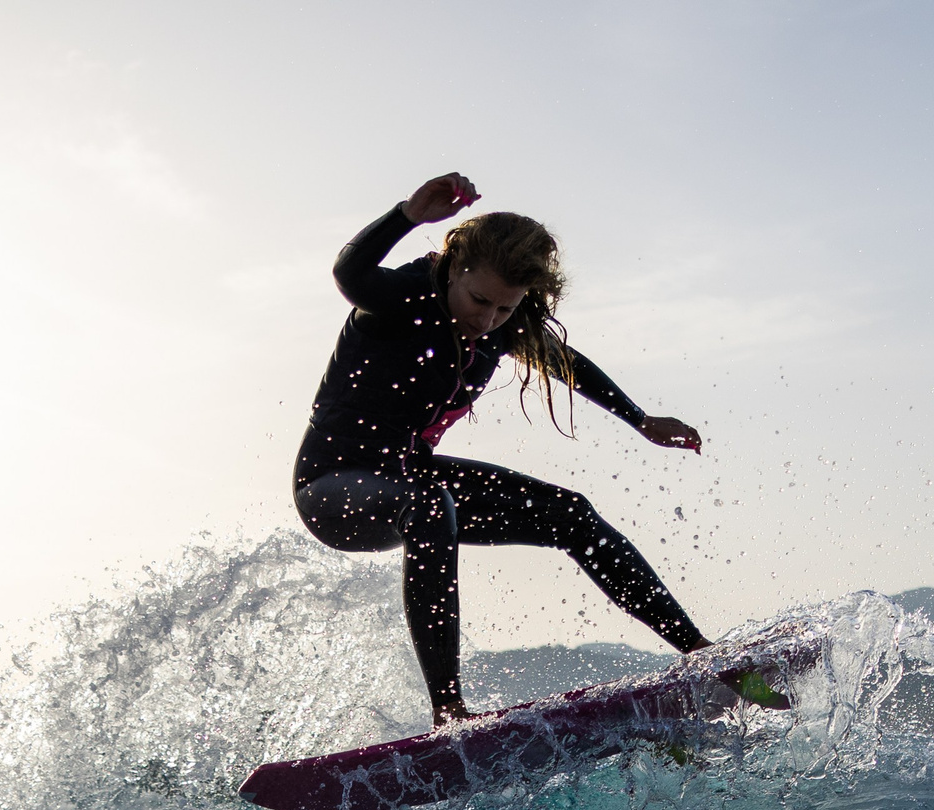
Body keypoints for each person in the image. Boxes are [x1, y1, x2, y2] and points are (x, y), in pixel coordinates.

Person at [296, 171, 714, 725]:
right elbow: (349, 274)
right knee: (428, 504)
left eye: (504, 309)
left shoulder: (501, 326)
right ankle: (450, 712)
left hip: (411, 478)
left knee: (571, 513)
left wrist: (640, 419)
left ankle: (703, 655)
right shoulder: (401, 298)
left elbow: (567, 364)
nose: (486, 319)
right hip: (333, 486)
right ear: (454, 268)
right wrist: (407, 216)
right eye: (479, 300)